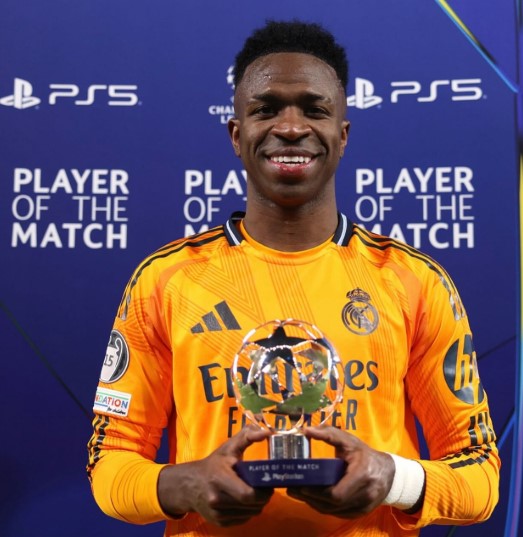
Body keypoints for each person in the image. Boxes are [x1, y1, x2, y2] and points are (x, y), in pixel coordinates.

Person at [87, 20, 500, 537]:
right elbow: (110, 462)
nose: (289, 127)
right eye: (266, 109)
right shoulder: (166, 281)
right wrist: (184, 485)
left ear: (342, 136)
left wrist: (393, 480)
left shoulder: (413, 281)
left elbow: (479, 473)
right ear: (236, 135)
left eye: (313, 109)